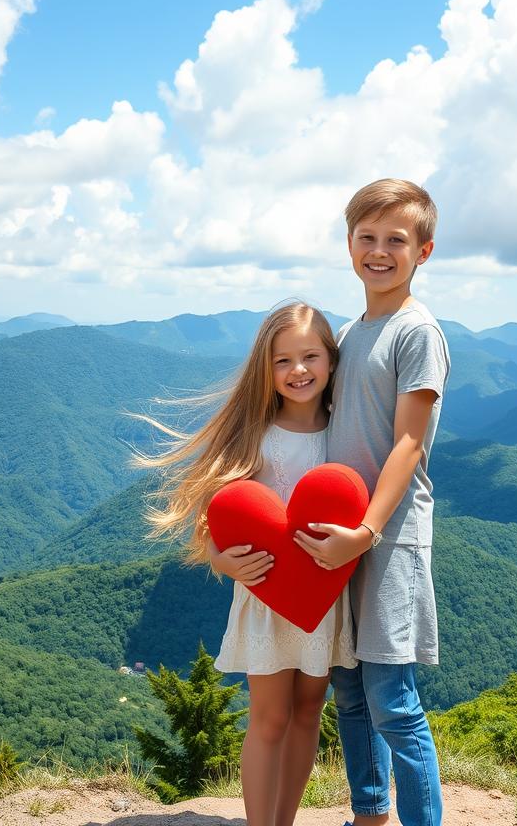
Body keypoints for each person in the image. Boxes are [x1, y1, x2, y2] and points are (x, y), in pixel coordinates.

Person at [137, 302, 357, 826]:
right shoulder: (255, 432)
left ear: (331, 360)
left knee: (308, 713)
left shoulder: (347, 430)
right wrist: (219, 557)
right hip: (264, 590)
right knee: (269, 717)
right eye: (283, 360)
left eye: (310, 356)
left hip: (323, 591)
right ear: (265, 366)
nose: (298, 370)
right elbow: (216, 516)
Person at [294, 179, 450, 826]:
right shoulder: (354, 331)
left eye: (396, 240)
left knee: (392, 698)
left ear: (424, 251)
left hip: (386, 536)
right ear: (349, 245)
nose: (380, 251)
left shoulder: (417, 333)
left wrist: (365, 530)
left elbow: (409, 444)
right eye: (367, 238)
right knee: (350, 689)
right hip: (341, 534)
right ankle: (368, 813)